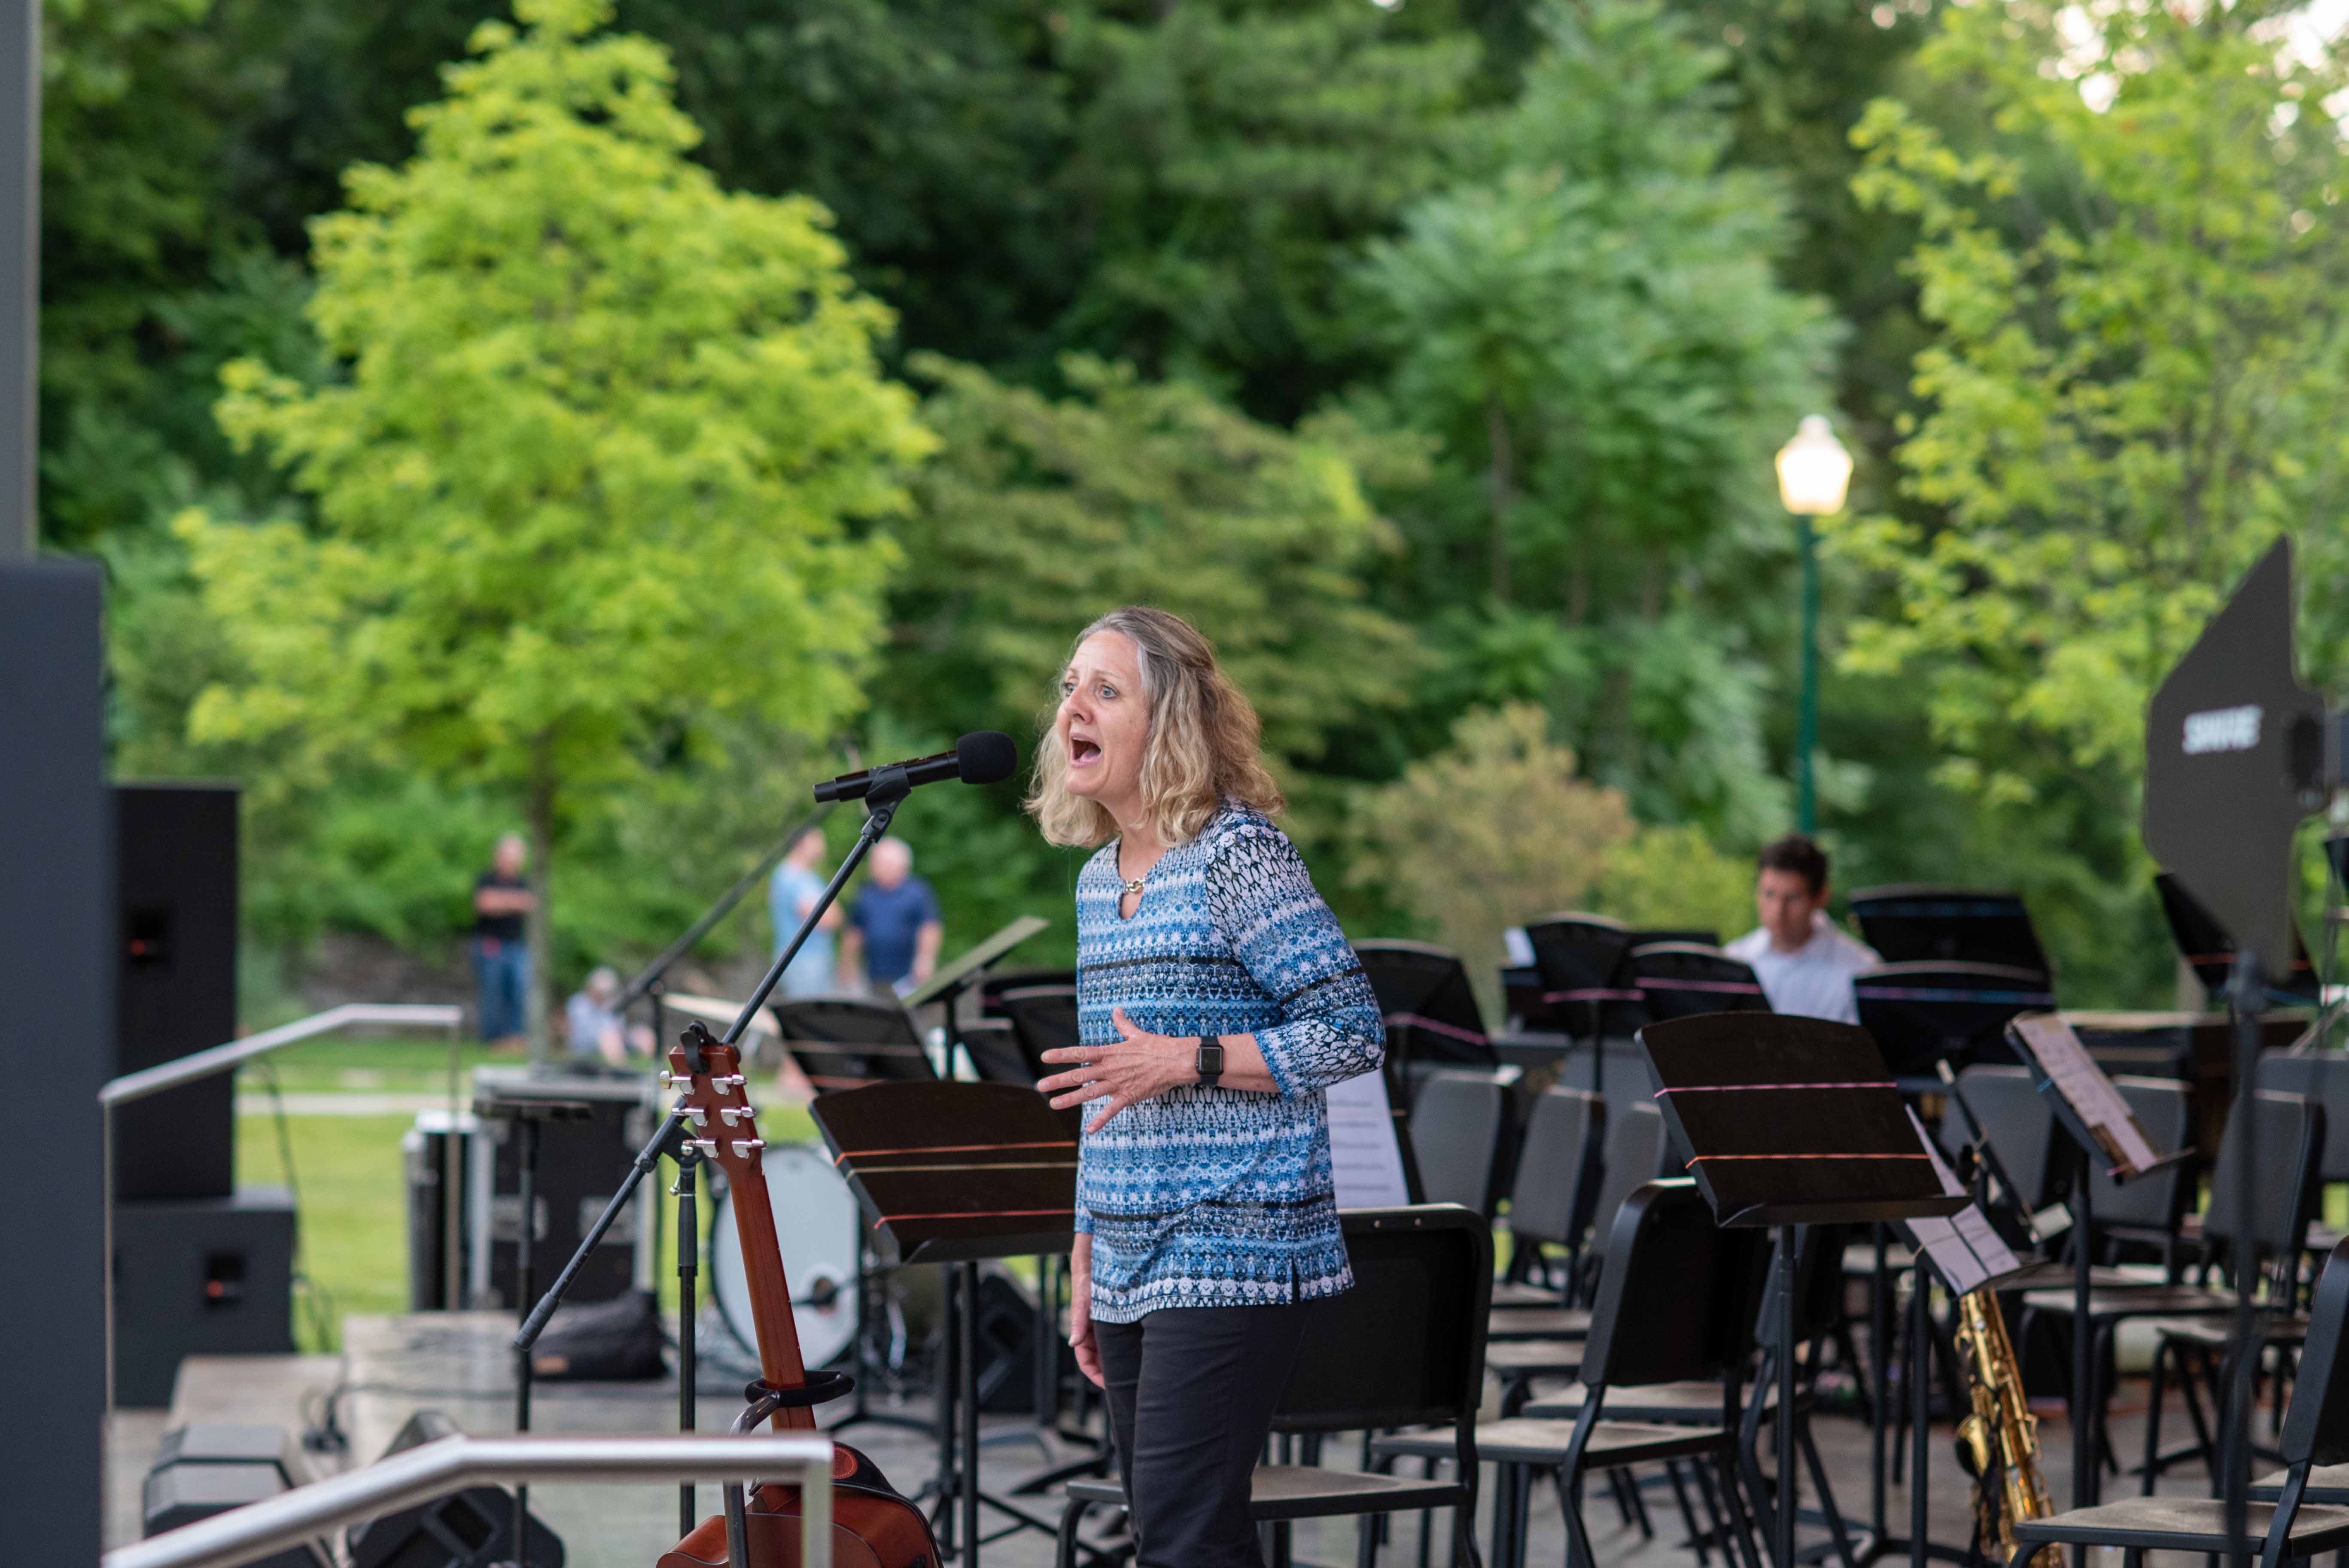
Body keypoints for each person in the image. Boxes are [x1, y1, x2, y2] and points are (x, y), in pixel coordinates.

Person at [1031, 606, 1383, 1568]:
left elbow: (1352, 1028)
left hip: (1237, 1237)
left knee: (1183, 1536)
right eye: (1069, 687)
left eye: (1106, 689)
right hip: (1127, 1249)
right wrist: (1085, 1249)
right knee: (1176, 1533)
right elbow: (1106, 1086)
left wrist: (1191, 1057)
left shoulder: (1239, 855)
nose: (1073, 707)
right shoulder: (1097, 880)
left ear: (1170, 720)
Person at [1722, 833, 1880, 1024]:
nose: (1778, 912)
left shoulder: (1861, 970)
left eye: (1793, 898)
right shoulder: (1734, 960)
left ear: (1821, 897)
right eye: (1769, 894)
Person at [837, 837, 941, 997]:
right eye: (876, 862)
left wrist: (925, 959)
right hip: (875, 975)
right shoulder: (865, 894)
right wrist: (847, 967)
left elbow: (929, 928)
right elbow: (854, 933)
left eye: (884, 863)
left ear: (902, 865)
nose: (878, 867)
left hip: (909, 976)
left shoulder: (917, 893)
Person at [472, 833, 535, 1046]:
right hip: (491, 945)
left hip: (516, 945)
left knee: (519, 990)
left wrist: (500, 901)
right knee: (493, 991)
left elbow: (529, 903)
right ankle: (493, 1038)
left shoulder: (523, 882)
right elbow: (485, 904)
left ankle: (515, 1037)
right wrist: (515, 902)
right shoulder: (487, 879)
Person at [767, 826, 841, 997]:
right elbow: (827, 919)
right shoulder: (794, 876)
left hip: (806, 958)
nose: (823, 846)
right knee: (809, 1008)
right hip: (804, 960)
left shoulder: (800, 875)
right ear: (802, 844)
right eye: (817, 840)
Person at [563, 965, 654, 1067]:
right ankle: (620, 1070)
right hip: (585, 1046)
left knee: (644, 1035)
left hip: (615, 1041)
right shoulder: (579, 1003)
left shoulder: (610, 1003)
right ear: (591, 988)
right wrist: (609, 1034)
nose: (603, 995)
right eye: (600, 991)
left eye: (606, 992)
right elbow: (585, 1032)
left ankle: (649, 1068)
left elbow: (620, 1027)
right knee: (609, 1038)